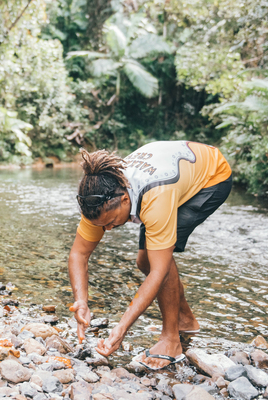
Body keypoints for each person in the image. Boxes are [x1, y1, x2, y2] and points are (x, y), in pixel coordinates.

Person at [68, 141, 232, 370]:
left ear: (125, 200)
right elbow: (79, 253)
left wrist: (121, 329)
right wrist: (81, 301)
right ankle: (185, 321)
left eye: (111, 222)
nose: (107, 230)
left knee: (158, 263)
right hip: (169, 172)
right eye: (101, 225)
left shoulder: (155, 197)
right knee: (145, 260)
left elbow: (159, 272)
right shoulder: (97, 199)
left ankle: (171, 340)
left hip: (211, 177)